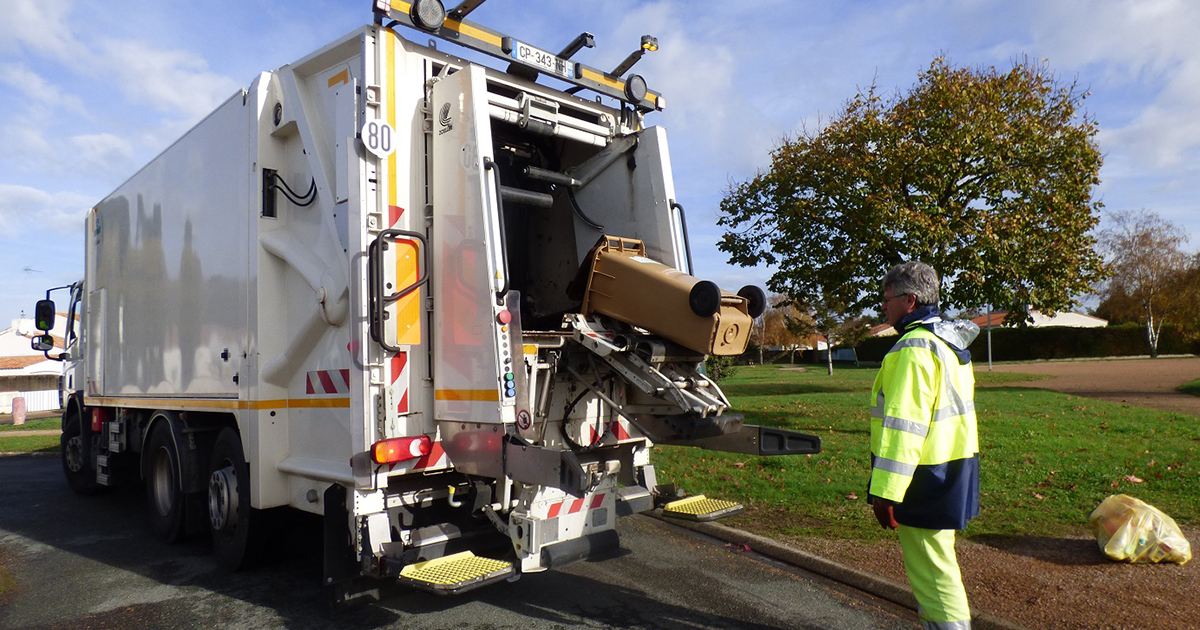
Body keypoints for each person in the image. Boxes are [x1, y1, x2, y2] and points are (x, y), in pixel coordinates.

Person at [870, 261, 980, 630]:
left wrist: (885, 493)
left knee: (932, 572)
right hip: (952, 466)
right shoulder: (947, 343)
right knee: (939, 562)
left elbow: (905, 429)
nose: (883, 306)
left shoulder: (912, 350)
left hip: (921, 476)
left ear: (910, 301)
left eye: (888, 299)